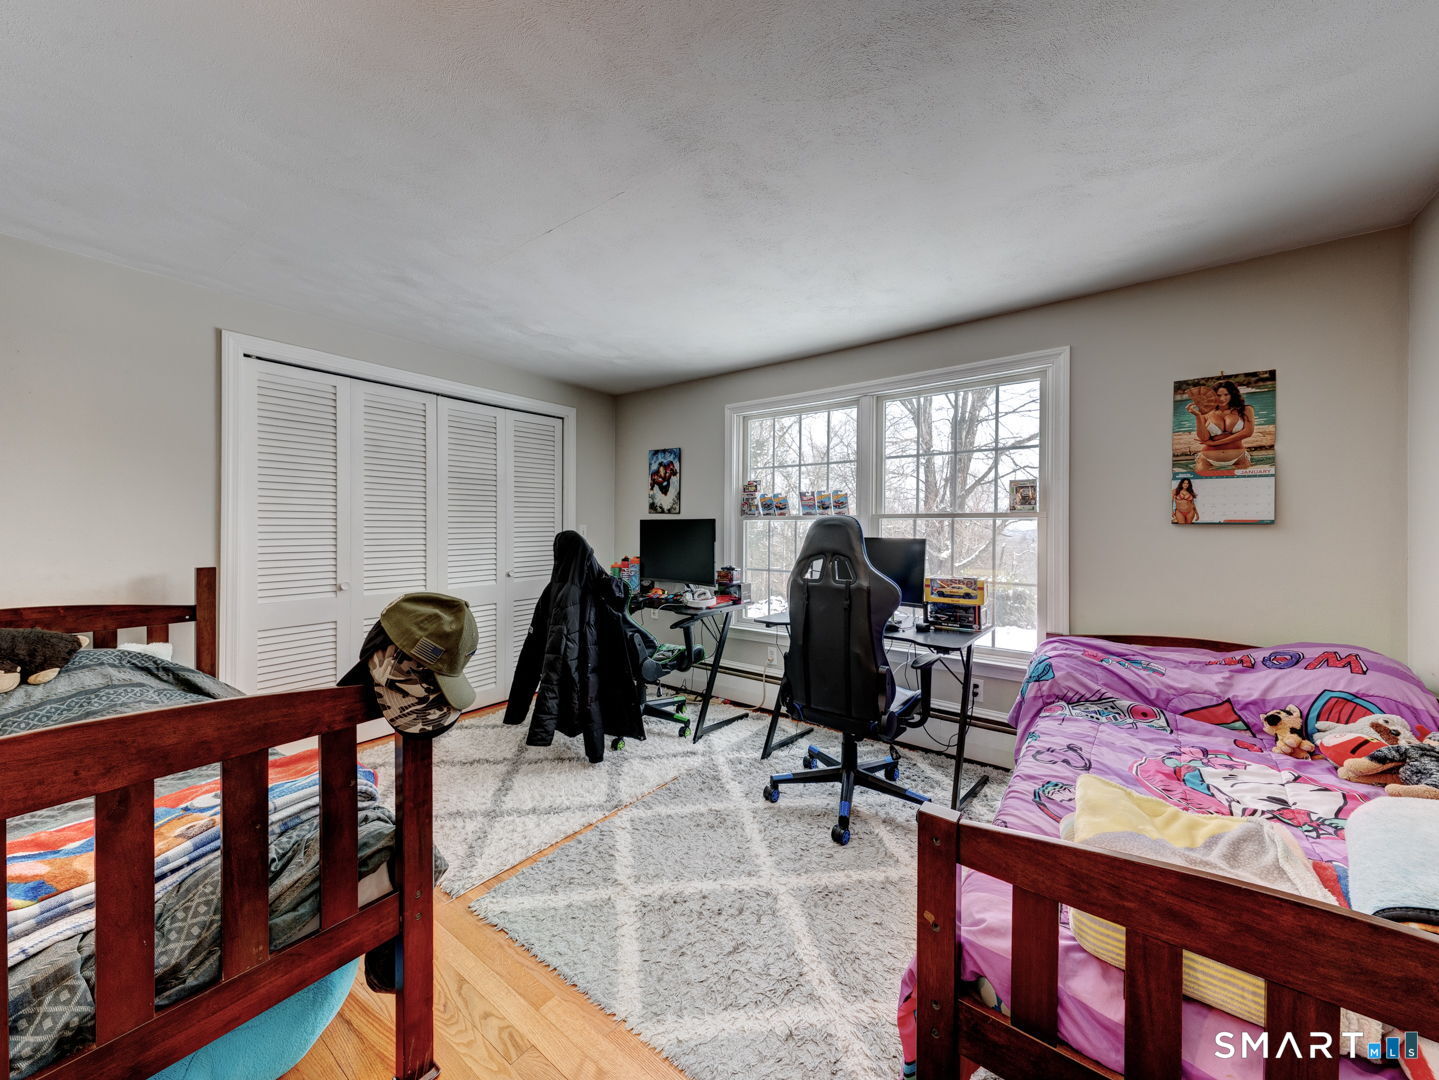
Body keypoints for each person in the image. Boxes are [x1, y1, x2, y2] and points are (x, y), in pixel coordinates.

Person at [1186, 380, 1254, 472]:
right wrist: (1198, 416)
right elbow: (1204, 438)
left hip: (1239, 458)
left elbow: (1247, 432)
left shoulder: (1246, 409)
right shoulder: (1205, 412)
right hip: (1207, 458)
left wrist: (1215, 443)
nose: (1222, 398)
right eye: (1218, 395)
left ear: (1232, 394)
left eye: (1226, 395)